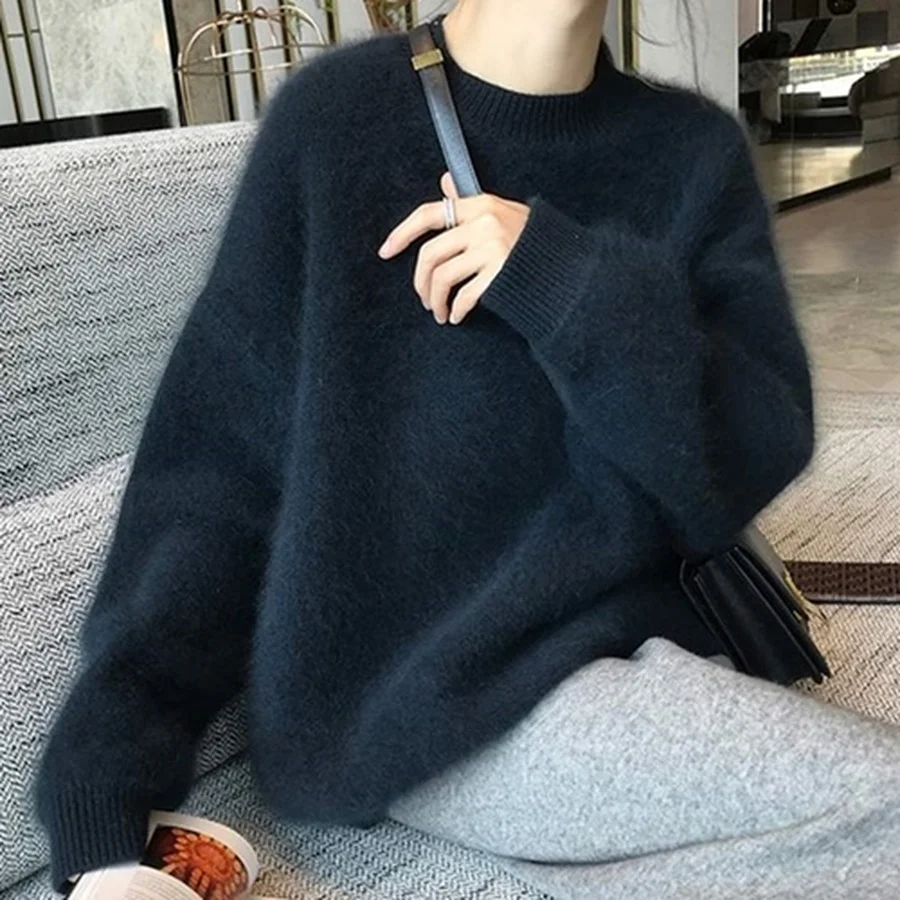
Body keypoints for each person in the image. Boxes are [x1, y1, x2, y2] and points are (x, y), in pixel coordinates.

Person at [36, 1, 900, 897]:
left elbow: (745, 460)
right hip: (439, 696)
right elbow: (217, 475)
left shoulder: (694, 151)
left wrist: (565, 278)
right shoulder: (339, 123)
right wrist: (102, 782)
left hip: (650, 647)